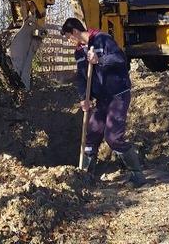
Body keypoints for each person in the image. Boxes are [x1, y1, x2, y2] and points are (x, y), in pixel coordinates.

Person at [61, 17, 145, 187]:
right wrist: (84, 98)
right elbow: (82, 79)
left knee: (113, 137)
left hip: (118, 93)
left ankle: (137, 174)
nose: (69, 41)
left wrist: (99, 60)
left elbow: (120, 59)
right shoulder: (79, 53)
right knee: (91, 135)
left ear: (75, 32)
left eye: (69, 37)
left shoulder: (102, 39)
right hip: (102, 98)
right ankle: (87, 174)